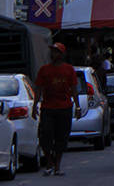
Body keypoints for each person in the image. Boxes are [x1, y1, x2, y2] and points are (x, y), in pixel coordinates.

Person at [32, 43, 81, 176]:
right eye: (52, 52)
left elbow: (74, 89)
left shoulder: (69, 69)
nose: (53, 54)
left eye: (56, 52)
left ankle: (57, 165)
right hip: (48, 108)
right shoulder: (44, 70)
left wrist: (77, 106)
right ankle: (49, 161)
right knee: (45, 135)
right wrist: (35, 105)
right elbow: (39, 88)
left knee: (62, 137)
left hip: (64, 107)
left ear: (62, 54)